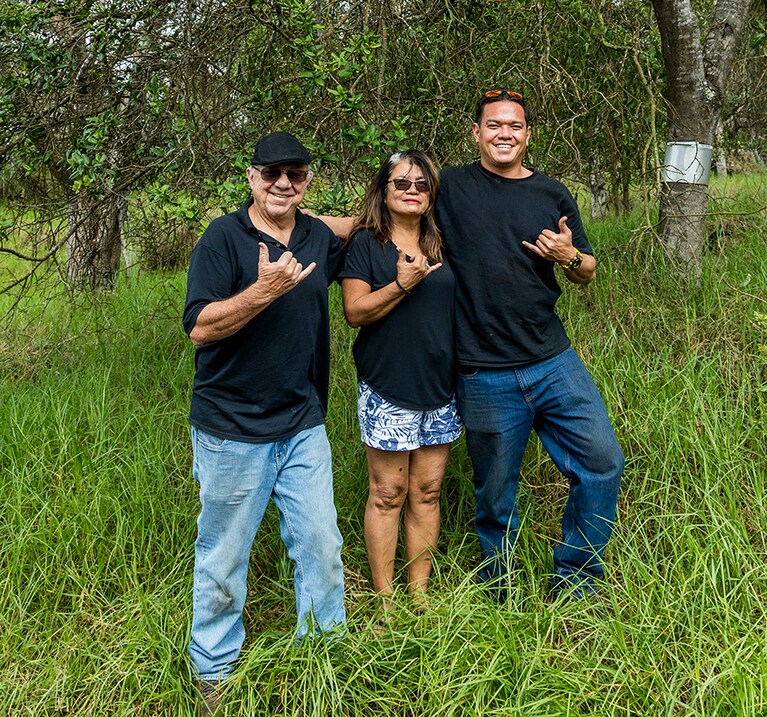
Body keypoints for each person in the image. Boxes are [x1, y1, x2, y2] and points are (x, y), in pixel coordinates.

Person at [436, 88, 625, 600]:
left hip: (552, 360)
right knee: (496, 495)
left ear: (527, 135)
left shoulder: (552, 194)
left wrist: (568, 255)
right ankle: (505, 589)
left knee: (603, 462)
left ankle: (577, 580)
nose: (504, 134)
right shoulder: (449, 186)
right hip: (483, 371)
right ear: (475, 132)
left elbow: (587, 270)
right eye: (493, 125)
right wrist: (300, 224)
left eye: (514, 126)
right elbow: (388, 207)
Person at [182, 132, 346, 713]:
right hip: (231, 429)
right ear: (251, 177)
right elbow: (200, 326)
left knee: (322, 543)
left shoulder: (314, 236)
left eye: (295, 174)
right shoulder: (223, 239)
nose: (283, 182)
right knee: (224, 554)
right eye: (272, 172)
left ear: (307, 182)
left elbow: (354, 227)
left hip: (303, 422)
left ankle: (324, 656)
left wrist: (401, 200)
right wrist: (264, 290)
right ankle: (214, 668)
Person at [338, 150, 461, 619]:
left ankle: (420, 594)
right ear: (383, 192)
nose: (412, 191)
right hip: (388, 386)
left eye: (422, 185)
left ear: (432, 196)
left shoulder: (443, 243)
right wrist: (401, 284)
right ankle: (385, 601)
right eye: (402, 184)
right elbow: (355, 312)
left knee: (427, 490)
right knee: (388, 492)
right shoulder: (367, 245)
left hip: (440, 388)